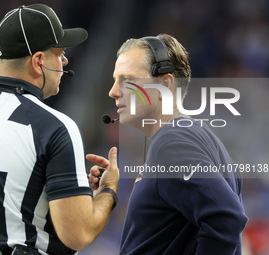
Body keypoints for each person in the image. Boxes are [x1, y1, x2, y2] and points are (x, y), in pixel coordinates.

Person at [0, 4, 119, 255]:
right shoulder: (56, 128)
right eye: (59, 53)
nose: (64, 61)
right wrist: (108, 191)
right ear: (39, 61)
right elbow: (78, 234)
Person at [90, 34, 248, 254]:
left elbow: (227, 218)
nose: (113, 91)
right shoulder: (195, 137)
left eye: (127, 80)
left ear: (165, 83)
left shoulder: (172, 143)